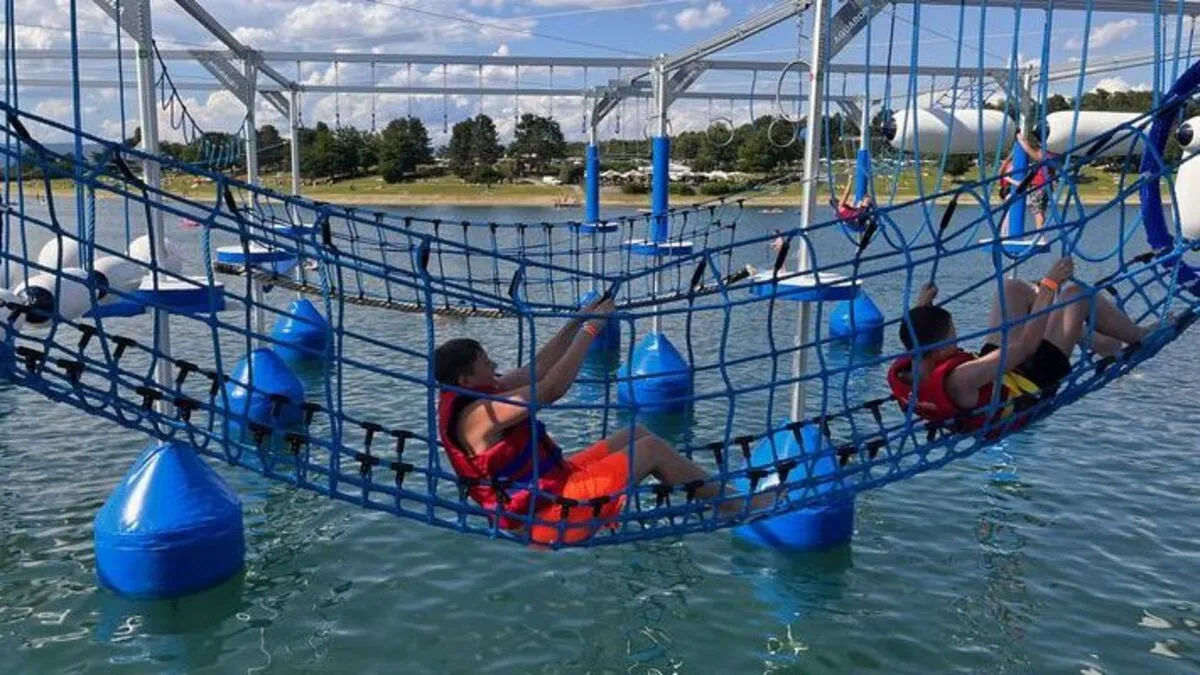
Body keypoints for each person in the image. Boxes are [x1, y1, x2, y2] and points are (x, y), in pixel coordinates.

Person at [434, 296, 775, 545]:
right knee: (652, 449)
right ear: (465, 379)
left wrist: (577, 320)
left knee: (636, 433)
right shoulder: (479, 417)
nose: (494, 365)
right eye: (485, 362)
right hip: (548, 518)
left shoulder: (480, 392)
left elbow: (539, 368)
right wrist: (592, 328)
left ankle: (719, 495)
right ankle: (736, 506)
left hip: (551, 487)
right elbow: (550, 388)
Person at [887, 257, 1159, 433]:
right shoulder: (959, 379)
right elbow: (1028, 346)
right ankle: (1137, 335)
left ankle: (1093, 339)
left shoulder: (909, 368)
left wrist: (923, 307)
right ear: (939, 350)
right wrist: (1050, 285)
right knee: (1076, 295)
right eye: (953, 336)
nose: (957, 339)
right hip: (1030, 384)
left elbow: (917, 336)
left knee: (1011, 289)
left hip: (995, 375)